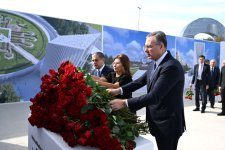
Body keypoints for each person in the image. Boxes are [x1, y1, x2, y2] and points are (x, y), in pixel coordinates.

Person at [108, 31, 186, 150]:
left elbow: (154, 96)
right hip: (157, 121)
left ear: (161, 46)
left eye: (149, 46)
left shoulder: (171, 67)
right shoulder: (154, 64)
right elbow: (138, 82)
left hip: (168, 124)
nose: (145, 50)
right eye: (145, 46)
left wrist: (124, 103)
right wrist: (117, 91)